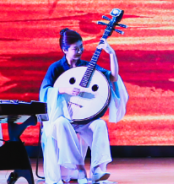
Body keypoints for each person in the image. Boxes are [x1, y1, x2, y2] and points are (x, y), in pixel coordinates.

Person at [40, 28, 128, 184]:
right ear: (65, 50)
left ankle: (97, 171)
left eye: (81, 47)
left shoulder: (88, 66)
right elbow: (44, 92)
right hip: (64, 118)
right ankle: (79, 168)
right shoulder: (56, 68)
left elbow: (113, 77)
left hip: (84, 118)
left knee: (100, 124)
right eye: (75, 48)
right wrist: (63, 89)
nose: (80, 51)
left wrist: (111, 54)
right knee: (61, 123)